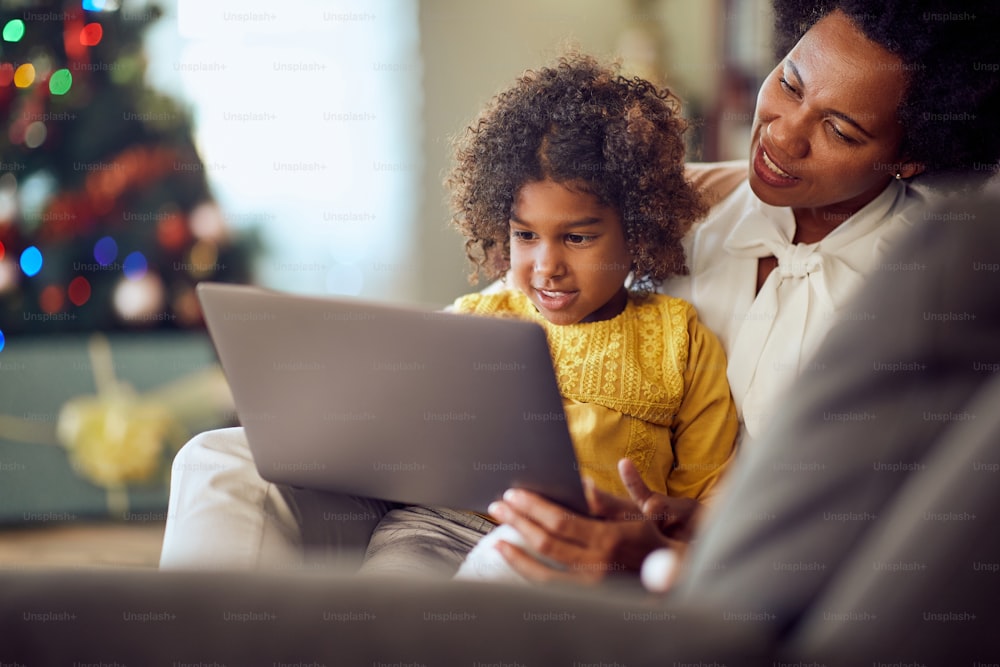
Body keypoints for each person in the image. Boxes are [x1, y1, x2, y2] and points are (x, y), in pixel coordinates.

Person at [159, 0, 1000, 579]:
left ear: (909, 156)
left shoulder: (925, 290)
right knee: (224, 458)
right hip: (475, 489)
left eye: (839, 128)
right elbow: (537, 279)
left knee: (493, 562)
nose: (781, 134)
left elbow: (872, 521)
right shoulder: (684, 204)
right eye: (788, 82)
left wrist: (669, 540)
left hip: (645, 545)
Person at [357, 54, 738, 581]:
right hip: (436, 528)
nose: (547, 267)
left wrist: (677, 520)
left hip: (568, 549)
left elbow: (710, 498)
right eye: (525, 236)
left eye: (577, 238)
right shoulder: (476, 319)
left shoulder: (679, 340)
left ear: (639, 230)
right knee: (389, 592)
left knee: (500, 572)